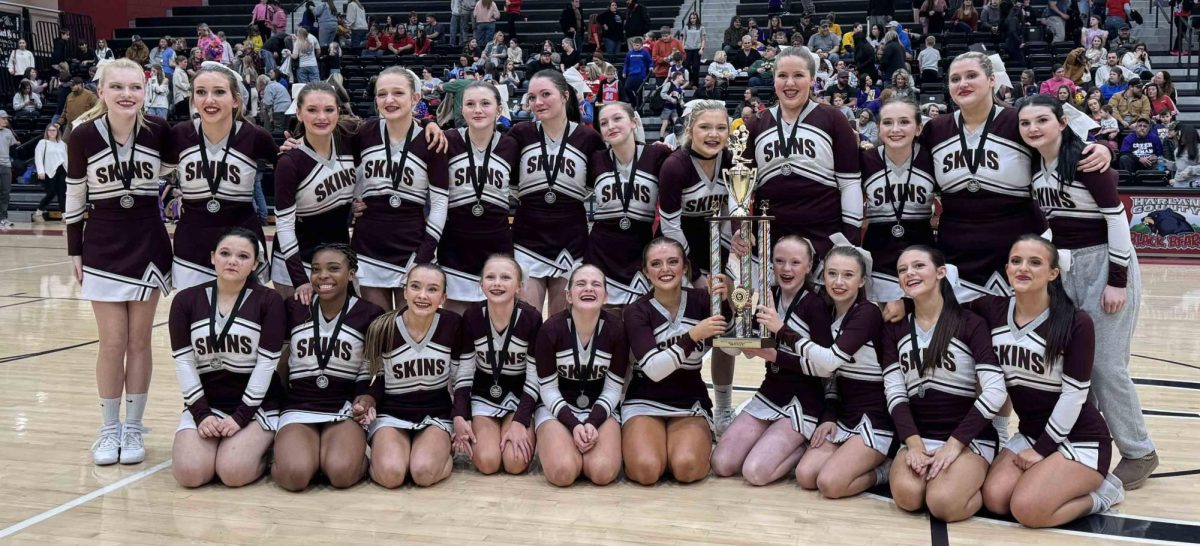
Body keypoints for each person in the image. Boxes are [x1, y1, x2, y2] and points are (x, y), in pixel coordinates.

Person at [1018, 95, 1158, 487]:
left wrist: (1117, 280)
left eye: (1042, 120)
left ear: (1062, 122)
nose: (1033, 129)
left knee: (1106, 365)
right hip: (1065, 265)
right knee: (1072, 361)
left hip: (1105, 261)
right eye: (1026, 122)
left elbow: (1116, 220)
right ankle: (1084, 441)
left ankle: (1139, 450)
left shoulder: (1085, 160)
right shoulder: (1035, 163)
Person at [912, 51, 1110, 304]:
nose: (963, 84)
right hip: (957, 252)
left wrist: (1102, 147)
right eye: (955, 79)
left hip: (1019, 250)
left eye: (972, 75)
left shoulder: (1019, 119)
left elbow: (1073, 136)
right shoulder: (935, 129)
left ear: (992, 79)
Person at [964, 233, 1125, 526]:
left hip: (1080, 438)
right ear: (1007, 269)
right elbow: (943, 308)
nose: (1023, 268)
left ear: (1053, 273)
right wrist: (902, 305)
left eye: (1034, 262)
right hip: (1030, 432)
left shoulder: (1076, 322)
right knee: (995, 500)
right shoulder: (991, 310)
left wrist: (1043, 450)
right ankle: (1049, 477)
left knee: (1028, 510)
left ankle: (1103, 494)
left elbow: (1075, 396)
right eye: (1016, 261)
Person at [64, 59, 173, 465]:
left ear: (145, 91)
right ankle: (109, 428)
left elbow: (191, 161)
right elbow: (75, 196)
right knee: (111, 342)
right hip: (104, 241)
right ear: (102, 90)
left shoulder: (160, 131)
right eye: (118, 87)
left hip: (148, 240)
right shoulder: (82, 135)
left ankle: (134, 426)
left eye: (135, 87)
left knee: (139, 340)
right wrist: (75, 249)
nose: (127, 94)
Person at [881, 246, 1008, 522]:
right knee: (908, 496)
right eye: (902, 270)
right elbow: (895, 392)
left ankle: (982, 478)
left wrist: (954, 445)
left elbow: (996, 390)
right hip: (919, 435)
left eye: (918, 266)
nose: (909, 273)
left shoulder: (970, 323)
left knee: (943, 503)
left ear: (941, 272)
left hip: (966, 439)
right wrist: (913, 445)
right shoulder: (895, 327)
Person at [710, 236, 830, 486]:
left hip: (803, 402)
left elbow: (825, 368)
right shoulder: (766, 295)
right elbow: (746, 340)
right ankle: (772, 442)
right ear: (770, 264)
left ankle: (802, 448)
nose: (787, 269)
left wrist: (774, 354)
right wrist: (730, 302)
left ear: (809, 266)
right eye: (779, 261)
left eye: (795, 262)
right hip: (771, 393)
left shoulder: (816, 305)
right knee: (722, 463)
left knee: (755, 472)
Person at [169, 228, 284, 487]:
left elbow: (267, 365)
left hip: (255, 406)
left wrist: (241, 417)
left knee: (233, 473)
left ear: (255, 264)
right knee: (190, 474)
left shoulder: (269, 301)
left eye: (243, 256)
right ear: (212, 257)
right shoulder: (185, 300)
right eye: (225, 253)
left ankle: (267, 448)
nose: (233, 261)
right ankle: (221, 444)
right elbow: (184, 362)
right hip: (207, 403)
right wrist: (201, 414)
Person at [735, 46, 863, 264]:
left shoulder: (833, 119)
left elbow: (850, 184)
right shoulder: (755, 124)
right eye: (782, 76)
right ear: (773, 79)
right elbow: (740, 184)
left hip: (825, 240)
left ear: (812, 79)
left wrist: (850, 241)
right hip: (769, 240)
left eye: (799, 75)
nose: (790, 83)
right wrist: (740, 227)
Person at [272, 244, 384, 490]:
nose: (323, 275)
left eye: (334, 268)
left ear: (352, 274)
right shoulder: (295, 307)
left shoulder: (370, 313)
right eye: (316, 269)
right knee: (295, 477)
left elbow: (376, 370)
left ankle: (350, 457)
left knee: (342, 475)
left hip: (343, 407)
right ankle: (284, 455)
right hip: (299, 405)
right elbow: (279, 362)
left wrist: (367, 398)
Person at [656, 100, 738, 429]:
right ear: (691, 130)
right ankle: (673, 399)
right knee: (685, 329)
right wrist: (695, 273)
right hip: (683, 255)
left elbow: (733, 213)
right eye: (705, 127)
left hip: (719, 252)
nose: (714, 134)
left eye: (721, 127)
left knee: (728, 329)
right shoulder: (676, 166)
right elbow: (671, 226)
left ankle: (723, 408)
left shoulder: (731, 161)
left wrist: (731, 266)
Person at [163, 64, 279, 291]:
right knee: (196, 318)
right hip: (192, 239)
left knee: (243, 319)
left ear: (235, 100)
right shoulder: (180, 134)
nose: (209, 100)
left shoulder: (255, 136)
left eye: (219, 92)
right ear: (193, 99)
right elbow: (151, 172)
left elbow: (291, 171)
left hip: (242, 239)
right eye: (201, 92)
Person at [621, 237, 727, 485]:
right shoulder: (635, 311)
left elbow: (731, 351)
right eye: (656, 264)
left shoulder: (703, 300)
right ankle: (655, 446)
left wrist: (728, 305)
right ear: (646, 272)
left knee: (687, 468)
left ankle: (674, 447)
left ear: (685, 267)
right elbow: (654, 370)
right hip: (644, 398)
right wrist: (693, 335)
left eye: (672, 262)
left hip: (689, 400)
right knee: (645, 471)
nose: (665, 270)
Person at [790, 244, 893, 498]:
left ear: (862, 281)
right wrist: (828, 415)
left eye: (848, 275)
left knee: (830, 484)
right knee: (805, 476)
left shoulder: (868, 312)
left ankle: (886, 470)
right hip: (844, 414)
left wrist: (782, 331)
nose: (838, 282)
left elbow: (829, 362)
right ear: (822, 276)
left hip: (875, 417)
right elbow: (832, 378)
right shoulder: (829, 311)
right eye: (832, 273)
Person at [347, 68, 449, 311]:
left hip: (412, 247)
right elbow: (331, 157)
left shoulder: (432, 140)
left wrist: (424, 256)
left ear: (415, 98)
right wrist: (352, 201)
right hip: (368, 246)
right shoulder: (362, 132)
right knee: (376, 329)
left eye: (398, 93)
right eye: (382, 94)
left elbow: (439, 204)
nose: (389, 100)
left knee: (410, 328)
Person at [509, 70, 604, 317]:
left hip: (571, 240)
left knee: (562, 324)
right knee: (527, 321)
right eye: (531, 97)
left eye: (545, 94)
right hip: (528, 239)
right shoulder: (521, 134)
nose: (537, 102)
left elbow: (609, 172)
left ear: (564, 96)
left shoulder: (588, 138)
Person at [357, 263, 459, 487]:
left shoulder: (453, 324)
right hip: (392, 414)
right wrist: (368, 399)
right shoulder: (383, 327)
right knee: (392, 476)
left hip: (436, 414)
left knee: (422, 473)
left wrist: (460, 416)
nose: (423, 295)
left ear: (443, 297)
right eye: (415, 287)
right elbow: (377, 379)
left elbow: (462, 380)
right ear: (405, 292)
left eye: (432, 289)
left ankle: (442, 454)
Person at [534, 265, 628, 485]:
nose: (588, 289)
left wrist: (593, 422)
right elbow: (547, 389)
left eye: (596, 285)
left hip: (601, 409)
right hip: (556, 409)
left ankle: (578, 449)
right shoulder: (550, 330)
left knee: (602, 473)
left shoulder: (617, 330)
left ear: (605, 296)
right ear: (568, 295)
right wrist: (574, 424)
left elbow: (614, 389)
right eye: (581, 284)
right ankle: (556, 445)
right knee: (562, 473)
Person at [451, 255, 541, 473]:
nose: (497, 283)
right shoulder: (472, 317)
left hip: (519, 397)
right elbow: (464, 371)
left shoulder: (531, 319)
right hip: (483, 396)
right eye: (490, 277)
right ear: (481, 284)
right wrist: (460, 415)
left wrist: (521, 420)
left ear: (519, 287)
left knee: (515, 462)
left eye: (505, 277)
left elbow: (535, 377)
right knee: (488, 463)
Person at [270, 82, 357, 301]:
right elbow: (284, 226)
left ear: (339, 111)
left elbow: (393, 123)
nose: (322, 117)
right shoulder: (290, 161)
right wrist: (299, 279)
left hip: (339, 256)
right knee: (297, 331)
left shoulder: (349, 140)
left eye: (329, 110)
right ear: (298, 113)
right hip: (296, 261)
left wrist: (428, 124)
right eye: (312, 110)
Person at [438, 83, 519, 308]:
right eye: (470, 104)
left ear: (499, 109)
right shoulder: (447, 140)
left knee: (495, 326)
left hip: (498, 243)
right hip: (456, 245)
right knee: (456, 325)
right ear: (461, 110)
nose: (478, 110)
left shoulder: (511, 146)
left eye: (485, 104)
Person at [587, 102, 672, 304]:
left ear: (634, 122)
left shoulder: (657, 155)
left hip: (641, 249)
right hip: (600, 251)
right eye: (604, 123)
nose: (611, 126)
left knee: (639, 320)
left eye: (617, 119)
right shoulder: (595, 160)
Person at [859, 98, 936, 301]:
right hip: (877, 257)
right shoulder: (865, 161)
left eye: (904, 122)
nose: (895, 129)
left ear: (918, 128)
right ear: (878, 128)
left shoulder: (931, 160)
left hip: (921, 256)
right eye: (887, 122)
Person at [33, 122, 67, 223]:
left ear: (57, 132)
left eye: (54, 130)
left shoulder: (63, 144)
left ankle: (65, 215)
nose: (52, 132)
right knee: (51, 193)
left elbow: (66, 159)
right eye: (50, 130)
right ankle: (38, 212)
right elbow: (38, 157)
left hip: (62, 171)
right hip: (49, 171)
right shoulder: (43, 142)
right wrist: (40, 171)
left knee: (62, 193)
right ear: (47, 132)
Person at [682, 12, 705, 87]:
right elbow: (684, 38)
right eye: (691, 18)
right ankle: (691, 78)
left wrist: (702, 49)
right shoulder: (686, 27)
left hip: (697, 49)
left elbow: (703, 39)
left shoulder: (701, 27)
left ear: (697, 18)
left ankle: (695, 84)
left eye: (694, 18)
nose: (692, 20)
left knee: (696, 67)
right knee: (686, 65)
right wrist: (682, 48)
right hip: (687, 48)